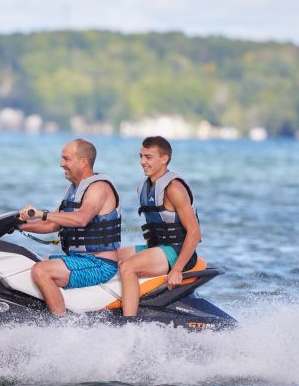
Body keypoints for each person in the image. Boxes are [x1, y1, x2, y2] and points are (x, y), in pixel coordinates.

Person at [19, 138, 122, 316]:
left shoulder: (98, 188)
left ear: (83, 161)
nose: (61, 164)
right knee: (29, 261)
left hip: (99, 264)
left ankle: (61, 326)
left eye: (66, 159)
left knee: (41, 271)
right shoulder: (74, 189)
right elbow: (52, 224)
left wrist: (40, 213)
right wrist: (18, 226)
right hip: (79, 259)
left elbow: (81, 219)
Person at [116, 135, 201, 317]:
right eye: (141, 156)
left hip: (178, 252)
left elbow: (194, 233)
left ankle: (129, 322)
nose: (142, 162)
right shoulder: (144, 187)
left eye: (148, 157)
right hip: (158, 249)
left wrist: (177, 269)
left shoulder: (174, 188)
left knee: (127, 267)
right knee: (109, 258)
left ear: (164, 159)